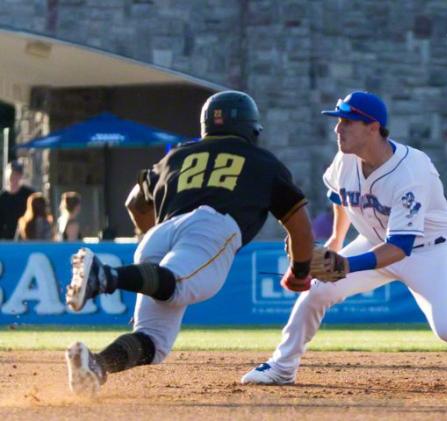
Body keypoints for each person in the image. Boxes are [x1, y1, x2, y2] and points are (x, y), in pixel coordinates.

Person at [63, 90, 314, 397]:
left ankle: (96, 365)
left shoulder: (177, 154)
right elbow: (300, 226)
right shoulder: (263, 162)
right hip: (213, 226)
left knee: (153, 340)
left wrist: (149, 264)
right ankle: (106, 277)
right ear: (250, 129)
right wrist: (300, 272)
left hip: (161, 230)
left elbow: (135, 203)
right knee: (179, 285)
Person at [241, 91, 447, 385]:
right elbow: (340, 197)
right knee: (318, 293)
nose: (338, 128)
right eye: (338, 121)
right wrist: (335, 243)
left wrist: (345, 265)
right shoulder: (346, 159)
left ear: (373, 127)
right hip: (374, 241)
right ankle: (281, 368)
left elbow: (400, 248)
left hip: (427, 252)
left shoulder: (411, 172)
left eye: (348, 121)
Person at [0, 160, 35, 239]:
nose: (14, 177)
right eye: (12, 174)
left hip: (26, 239)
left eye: (17, 174)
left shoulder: (30, 195)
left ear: (21, 176)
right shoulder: (2, 197)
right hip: (5, 241)